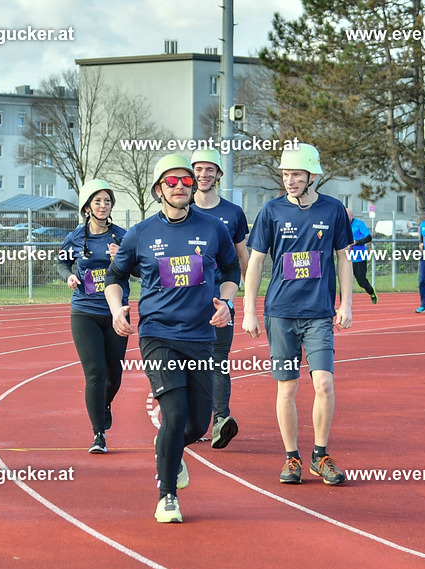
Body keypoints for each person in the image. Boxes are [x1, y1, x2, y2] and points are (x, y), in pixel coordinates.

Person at [104, 154, 240, 523]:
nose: (180, 187)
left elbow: (231, 269)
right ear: (157, 189)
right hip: (158, 334)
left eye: (186, 181)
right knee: (175, 413)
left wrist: (227, 302)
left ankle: (167, 448)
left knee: (196, 426)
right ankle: (167, 496)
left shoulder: (214, 229)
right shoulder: (141, 234)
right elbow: (113, 278)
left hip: (201, 335)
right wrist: (117, 309)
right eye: (172, 182)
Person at [241, 142, 352, 486]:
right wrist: (249, 311)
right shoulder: (271, 211)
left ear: (312, 176)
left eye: (296, 174)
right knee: (287, 388)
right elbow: (256, 261)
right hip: (281, 315)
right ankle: (292, 458)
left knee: (324, 384)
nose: (290, 180)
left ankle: (320, 455)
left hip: (319, 314)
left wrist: (346, 303)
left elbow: (344, 258)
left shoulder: (333, 210)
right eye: (286, 174)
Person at [56, 179, 129, 454]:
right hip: (84, 312)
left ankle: (104, 403)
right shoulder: (75, 237)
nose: (102, 206)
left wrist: (120, 258)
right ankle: (98, 433)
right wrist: (69, 276)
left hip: (116, 313)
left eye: (107, 201)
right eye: (97, 201)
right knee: (95, 373)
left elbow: (139, 270)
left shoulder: (123, 236)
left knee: (114, 376)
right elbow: (61, 262)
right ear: (87, 207)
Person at [190, 148, 249, 449]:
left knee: (218, 362)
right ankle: (192, 421)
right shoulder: (179, 209)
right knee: (186, 364)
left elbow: (242, 258)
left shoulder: (233, 213)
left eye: (209, 169)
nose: (204, 174)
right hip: (185, 304)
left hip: (220, 303)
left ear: (219, 174)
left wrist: (246, 299)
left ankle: (221, 421)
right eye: (198, 169)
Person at [347, 206, 378, 304]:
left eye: (347, 216)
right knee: (345, 283)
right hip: (346, 258)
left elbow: (368, 238)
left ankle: (371, 292)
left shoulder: (359, 224)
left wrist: (356, 242)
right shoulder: (341, 225)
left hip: (359, 257)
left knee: (361, 281)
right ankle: (343, 305)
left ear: (352, 216)